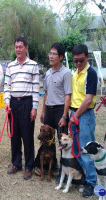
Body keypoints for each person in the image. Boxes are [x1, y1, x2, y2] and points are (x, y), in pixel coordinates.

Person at [34, 43, 72, 181]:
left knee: (61, 140)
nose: (50, 56)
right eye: (50, 53)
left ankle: (63, 170)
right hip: (48, 110)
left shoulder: (66, 73)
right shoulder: (47, 74)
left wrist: (64, 115)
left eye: (54, 54)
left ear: (61, 57)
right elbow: (46, 93)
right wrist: (43, 111)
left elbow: (68, 95)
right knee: (46, 140)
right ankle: (50, 166)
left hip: (59, 109)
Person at [4, 37, 39, 180]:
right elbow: (7, 86)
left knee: (27, 135)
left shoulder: (33, 65)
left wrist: (34, 107)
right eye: (16, 47)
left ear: (26, 48)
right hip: (13, 103)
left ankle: (29, 166)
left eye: (20, 47)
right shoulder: (10, 66)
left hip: (27, 103)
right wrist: (7, 101)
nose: (18, 49)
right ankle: (16, 163)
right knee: (15, 135)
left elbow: (36, 88)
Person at [69, 44, 97, 198]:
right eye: (75, 61)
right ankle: (85, 176)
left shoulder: (91, 73)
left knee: (87, 150)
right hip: (75, 113)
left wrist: (76, 115)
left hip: (84, 115)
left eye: (81, 60)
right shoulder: (75, 73)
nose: (78, 63)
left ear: (87, 57)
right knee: (77, 150)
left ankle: (91, 182)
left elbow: (88, 99)